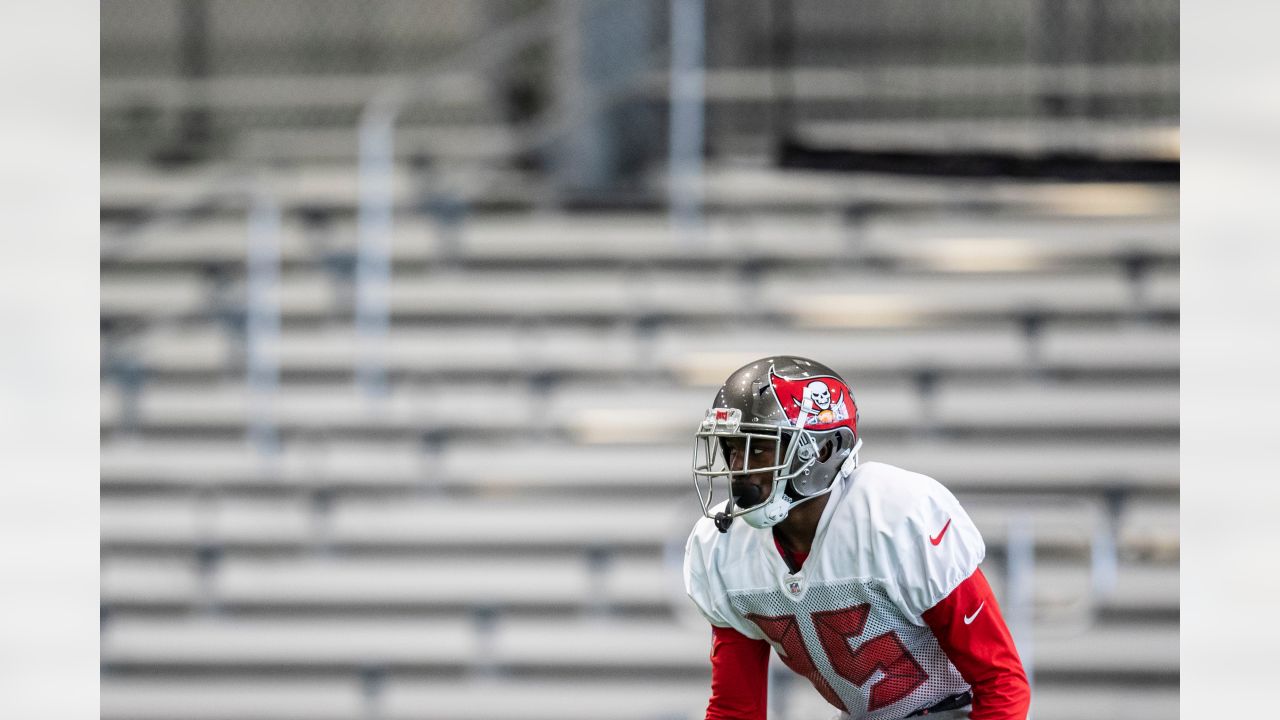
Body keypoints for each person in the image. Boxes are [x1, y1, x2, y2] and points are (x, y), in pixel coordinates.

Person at [683, 356, 1030, 720]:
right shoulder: (722, 546)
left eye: (759, 448)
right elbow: (736, 709)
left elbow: (1000, 680)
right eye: (732, 449)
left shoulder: (894, 516)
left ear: (823, 450)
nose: (738, 468)